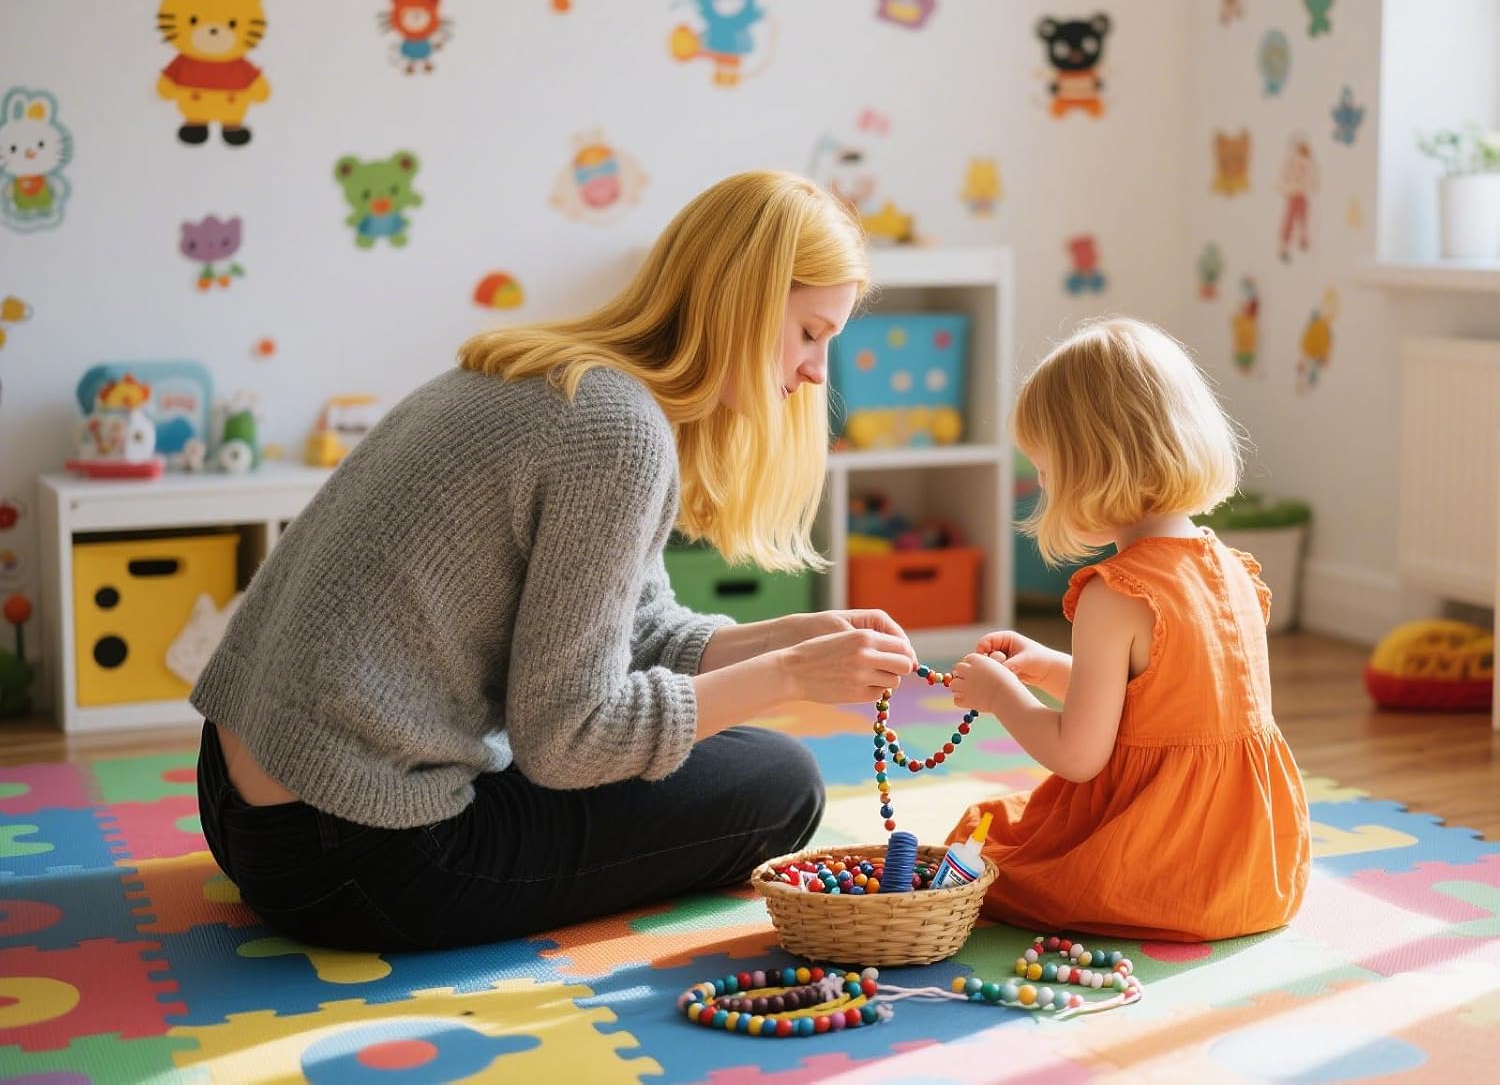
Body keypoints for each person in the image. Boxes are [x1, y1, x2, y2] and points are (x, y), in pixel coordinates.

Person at [193, 170, 917, 951]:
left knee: (730, 751)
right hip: (352, 854)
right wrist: (790, 677)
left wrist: (786, 638)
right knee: (780, 783)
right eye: (810, 333)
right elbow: (570, 738)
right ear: (743, 301)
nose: (817, 372)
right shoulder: (617, 432)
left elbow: (634, 629)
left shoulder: (551, 374)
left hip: (241, 798)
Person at [946, 316, 1309, 941]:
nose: (1040, 487)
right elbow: (1160, 704)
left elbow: (1078, 756)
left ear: (1092, 467)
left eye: (1044, 470)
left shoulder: (1115, 593)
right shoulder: (1232, 568)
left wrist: (999, 696)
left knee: (985, 845)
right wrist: (1048, 667)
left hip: (1160, 866)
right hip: (1255, 871)